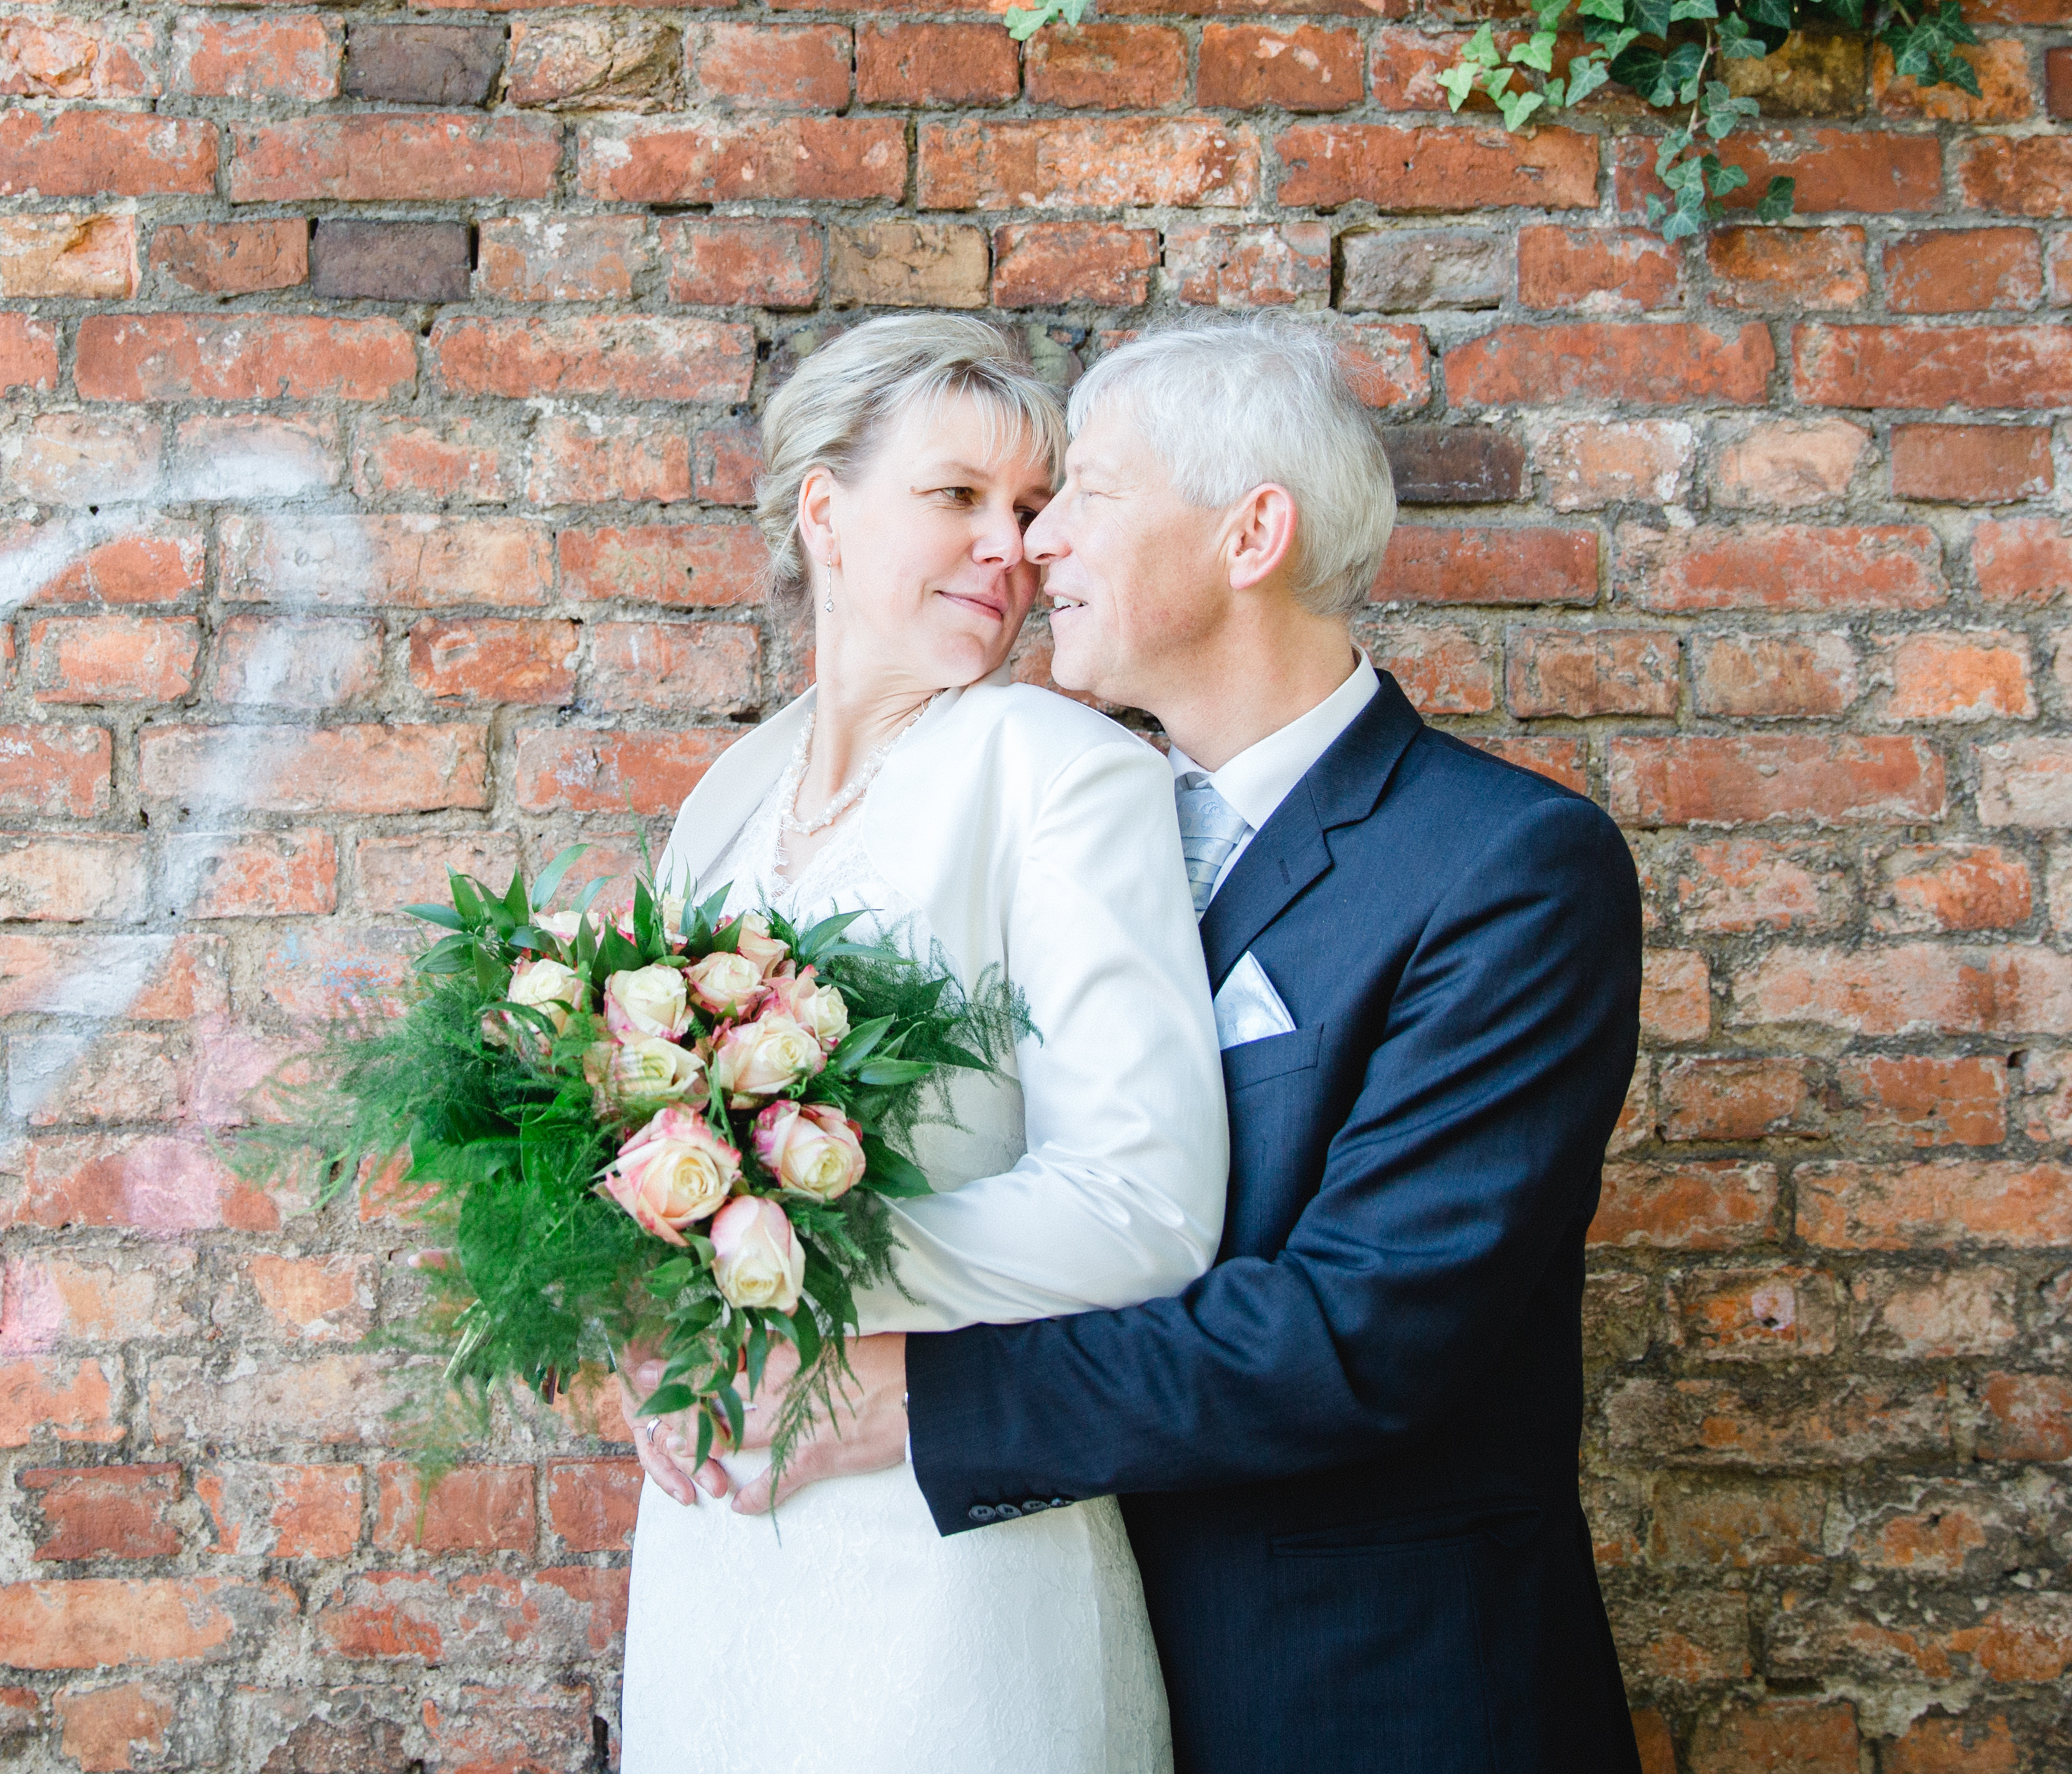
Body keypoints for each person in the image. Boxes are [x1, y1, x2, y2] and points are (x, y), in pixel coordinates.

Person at [635, 315, 1648, 1774]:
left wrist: (904, 1396)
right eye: (983, 504)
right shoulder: (1079, 808)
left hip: (1365, 1686)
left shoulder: (1505, 865)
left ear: (1251, 534)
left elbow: (1364, 1328)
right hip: (1041, 1599)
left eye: (1075, 499)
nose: (1035, 551)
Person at [614, 313, 1228, 1774]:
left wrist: (774, 1270)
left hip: (946, 1556)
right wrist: (640, 1322)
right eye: (957, 498)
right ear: (823, 509)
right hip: (714, 1542)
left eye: (1029, 510)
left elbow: (1144, 1208)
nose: (1007, 546)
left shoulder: (1063, 774)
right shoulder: (724, 799)